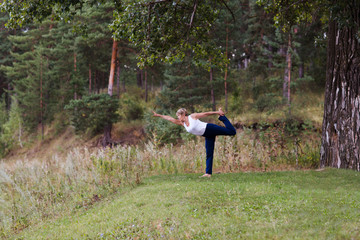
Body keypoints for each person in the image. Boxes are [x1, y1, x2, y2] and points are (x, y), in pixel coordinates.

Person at [152, 108, 236, 177]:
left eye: (178, 116)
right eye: (177, 116)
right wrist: (159, 115)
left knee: (232, 132)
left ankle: (222, 117)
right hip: (207, 135)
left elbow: (205, 113)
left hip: (210, 128)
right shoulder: (183, 123)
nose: (178, 118)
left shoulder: (192, 117)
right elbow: (170, 119)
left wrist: (218, 112)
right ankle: (208, 173)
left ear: (183, 114)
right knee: (209, 153)